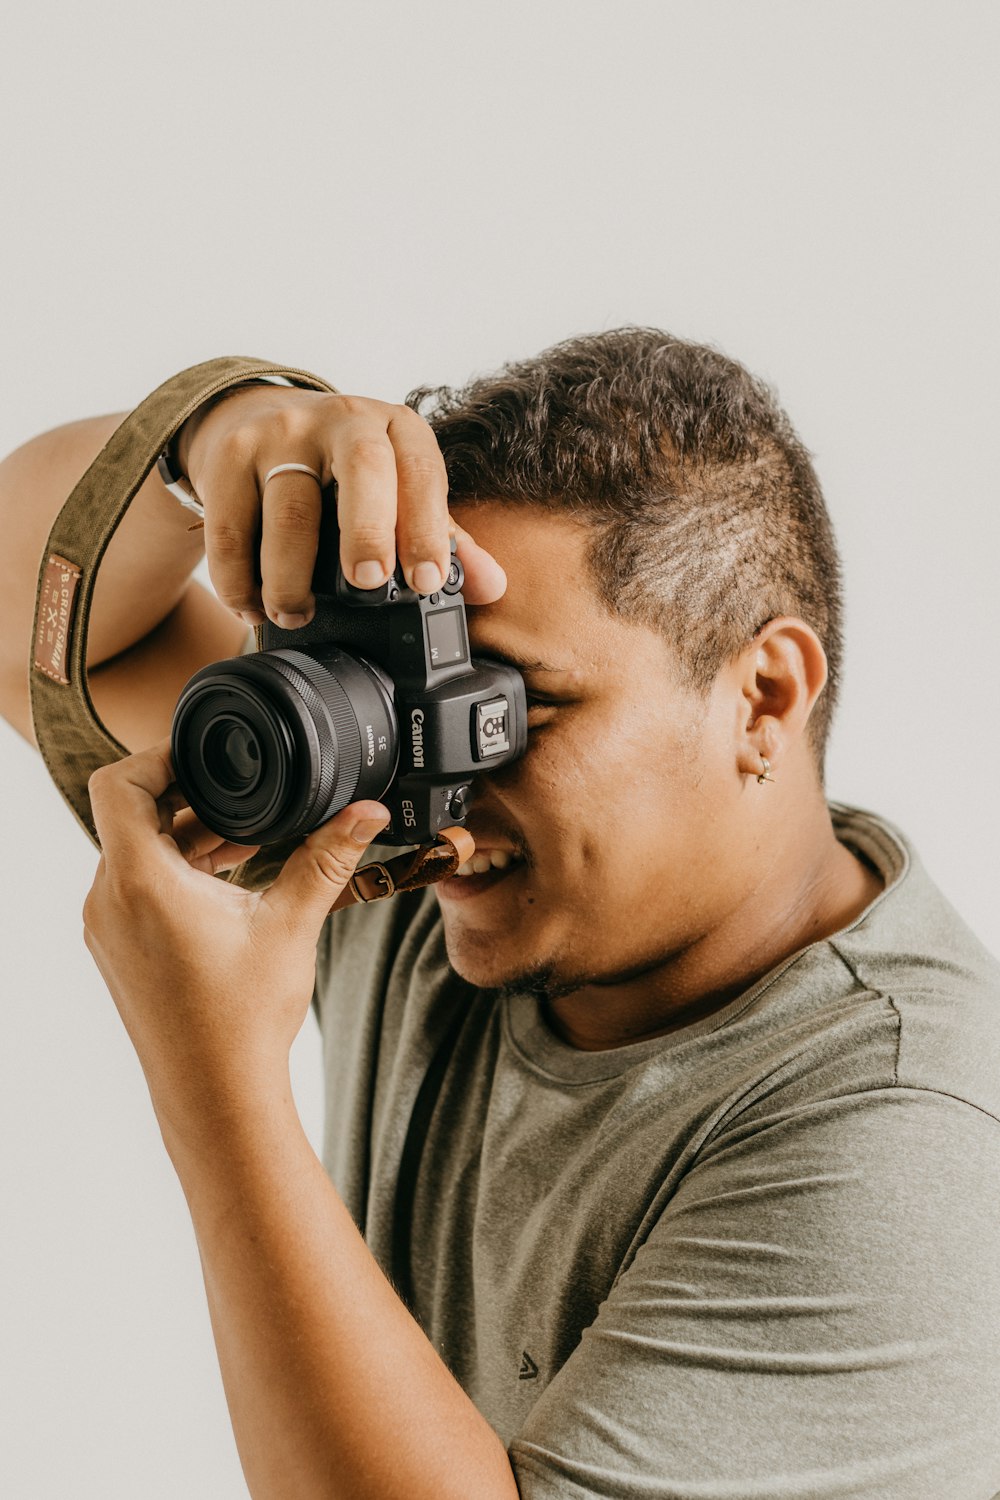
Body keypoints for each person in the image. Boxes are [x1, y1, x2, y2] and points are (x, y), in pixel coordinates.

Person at [2, 328, 998, 1500]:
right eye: (414, 692)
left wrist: (215, 1085)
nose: (440, 782)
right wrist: (207, 434)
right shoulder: (443, 862)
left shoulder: (907, 1145)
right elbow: (33, 615)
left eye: (508, 709)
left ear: (761, 698)